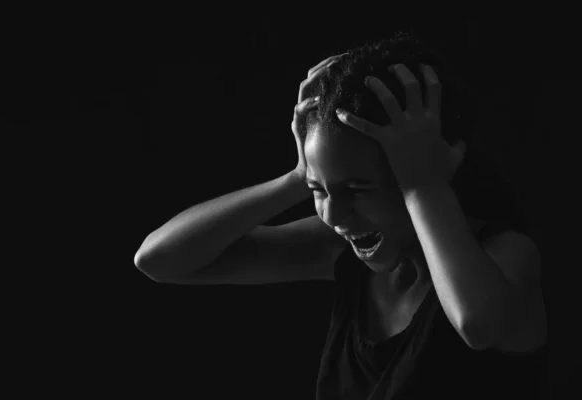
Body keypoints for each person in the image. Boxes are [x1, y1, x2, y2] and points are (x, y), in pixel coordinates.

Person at [134, 30, 547, 399]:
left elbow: (477, 325)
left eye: (357, 189)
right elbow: (159, 259)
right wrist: (300, 175)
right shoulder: (341, 252)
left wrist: (424, 184)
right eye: (320, 191)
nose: (333, 213)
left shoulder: (506, 254)